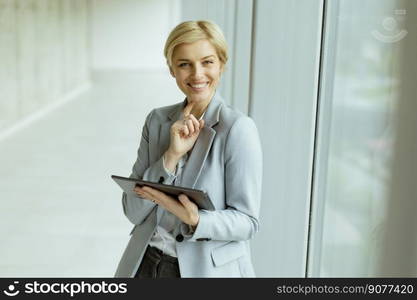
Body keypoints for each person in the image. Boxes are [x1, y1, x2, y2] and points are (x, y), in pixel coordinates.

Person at [114, 20, 262, 278]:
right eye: (184, 64)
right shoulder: (157, 121)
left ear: (222, 65)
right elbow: (133, 211)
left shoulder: (238, 129)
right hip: (145, 264)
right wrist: (171, 156)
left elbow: (247, 222)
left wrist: (197, 219)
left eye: (207, 62)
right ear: (172, 69)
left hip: (203, 271)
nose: (196, 74)